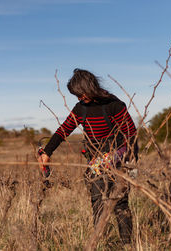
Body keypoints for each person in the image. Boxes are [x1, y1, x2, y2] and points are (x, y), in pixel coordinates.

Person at [38, 68, 138, 245]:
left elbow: (131, 135)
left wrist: (130, 162)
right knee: (97, 202)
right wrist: (47, 152)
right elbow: (63, 130)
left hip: (120, 160)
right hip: (95, 163)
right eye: (76, 95)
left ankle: (127, 245)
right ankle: (101, 244)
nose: (79, 98)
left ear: (91, 87)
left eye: (81, 94)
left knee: (120, 204)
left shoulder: (114, 105)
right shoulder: (80, 109)